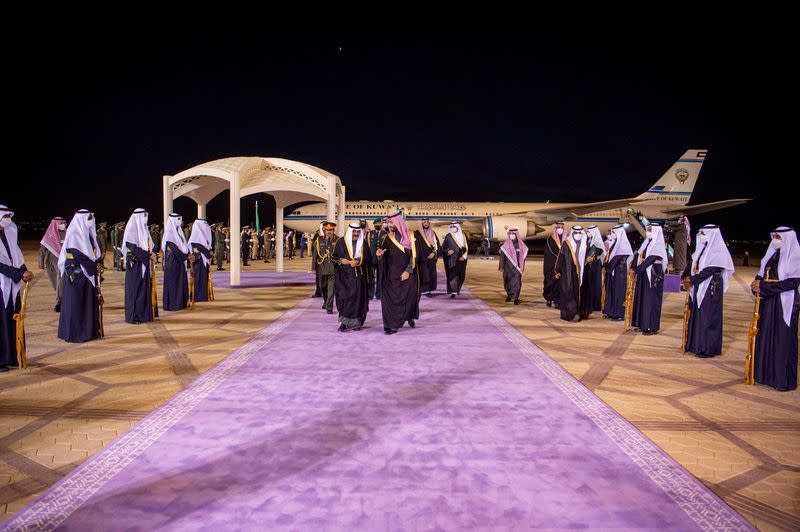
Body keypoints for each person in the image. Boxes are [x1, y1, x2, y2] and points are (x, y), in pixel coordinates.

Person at [750, 227, 799, 391]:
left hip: (785, 303)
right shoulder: (770, 257)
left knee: (781, 339)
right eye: (775, 236)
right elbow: (760, 276)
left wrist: (763, 286)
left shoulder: (795, 256)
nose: (776, 239)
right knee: (766, 337)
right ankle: (764, 375)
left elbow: (792, 283)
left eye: (779, 236)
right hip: (768, 303)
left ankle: (781, 379)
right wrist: (755, 286)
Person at [681, 225, 734, 357]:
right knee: (698, 315)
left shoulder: (719, 252)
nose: (703, 235)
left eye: (705, 233)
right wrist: (687, 278)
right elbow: (693, 264)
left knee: (708, 317)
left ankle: (708, 348)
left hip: (711, 287)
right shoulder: (702, 249)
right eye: (702, 233)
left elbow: (710, 270)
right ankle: (696, 345)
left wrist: (693, 279)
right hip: (699, 284)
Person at [57, 210, 104, 342]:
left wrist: (99, 263)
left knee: (88, 304)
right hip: (76, 276)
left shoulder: (90, 234)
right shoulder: (74, 233)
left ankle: (89, 332)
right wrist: (94, 266)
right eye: (88, 218)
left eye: (91, 217)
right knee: (76, 304)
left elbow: (96, 253)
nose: (90, 220)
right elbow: (77, 255)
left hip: (88, 275)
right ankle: (75, 333)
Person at [0, 205, 33, 372]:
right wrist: (18, 274)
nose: (7, 219)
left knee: (13, 319)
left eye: (8, 215)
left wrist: (24, 271)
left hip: (11, 284)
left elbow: (16, 258)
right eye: (4, 216)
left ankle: (12, 355)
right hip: (1, 286)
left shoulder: (9, 235)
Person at [377, 212, 419, 334]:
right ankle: (391, 324)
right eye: (388, 223)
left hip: (407, 274)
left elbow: (415, 256)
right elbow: (383, 255)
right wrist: (380, 255)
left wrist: (408, 271)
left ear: (398, 222)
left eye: (391, 222)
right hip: (391, 276)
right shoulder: (387, 238)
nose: (389, 225)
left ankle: (408, 317)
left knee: (408, 298)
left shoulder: (411, 236)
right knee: (391, 300)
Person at [631, 223, 668, 335]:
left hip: (654, 275)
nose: (648, 232)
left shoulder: (658, 244)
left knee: (651, 300)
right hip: (645, 274)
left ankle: (651, 327)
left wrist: (636, 270)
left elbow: (650, 259)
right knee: (644, 299)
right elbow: (640, 256)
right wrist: (635, 268)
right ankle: (643, 324)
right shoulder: (648, 243)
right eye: (647, 229)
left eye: (650, 230)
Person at [334, 222, 372, 331]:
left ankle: (356, 323)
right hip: (344, 277)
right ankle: (344, 323)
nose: (356, 233)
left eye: (358, 231)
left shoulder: (363, 243)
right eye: (354, 231)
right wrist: (341, 260)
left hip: (359, 277)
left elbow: (368, 259)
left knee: (358, 300)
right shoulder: (341, 242)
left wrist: (358, 261)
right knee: (345, 299)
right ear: (350, 231)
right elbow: (334, 257)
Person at [123, 209, 157, 324]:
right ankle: (135, 316)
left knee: (144, 289)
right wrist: (148, 255)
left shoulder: (145, 230)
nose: (145, 218)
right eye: (144, 216)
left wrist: (153, 253)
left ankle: (144, 315)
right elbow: (132, 248)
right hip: (135, 265)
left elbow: (151, 245)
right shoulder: (131, 230)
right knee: (135, 290)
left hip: (145, 263)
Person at [555, 225, 586, 321]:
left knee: (577, 293)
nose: (578, 235)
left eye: (579, 233)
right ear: (572, 233)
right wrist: (557, 270)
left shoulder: (584, 244)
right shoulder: (566, 243)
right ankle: (571, 314)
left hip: (579, 272)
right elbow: (560, 257)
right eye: (576, 233)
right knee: (568, 292)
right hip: (567, 272)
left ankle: (576, 312)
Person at [602, 225, 633, 321]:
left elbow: (615, 260)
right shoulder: (616, 243)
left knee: (619, 293)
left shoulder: (622, 245)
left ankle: (619, 314)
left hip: (619, 273)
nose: (612, 234)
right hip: (614, 273)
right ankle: (612, 312)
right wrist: (606, 267)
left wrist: (607, 269)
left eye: (614, 233)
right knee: (612, 292)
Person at [161, 213, 190, 311]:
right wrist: (186, 256)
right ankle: (173, 304)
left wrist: (187, 254)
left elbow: (184, 246)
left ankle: (180, 303)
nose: (180, 221)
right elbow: (175, 250)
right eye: (178, 219)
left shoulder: (179, 232)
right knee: (173, 283)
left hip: (179, 261)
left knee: (180, 282)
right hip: (173, 262)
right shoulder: (169, 233)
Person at [39, 217, 66, 312]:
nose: (63, 224)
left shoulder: (67, 233)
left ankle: (59, 302)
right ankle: (60, 298)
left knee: (60, 279)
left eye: (64, 222)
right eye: (61, 222)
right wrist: (40, 261)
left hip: (63, 261)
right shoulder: (49, 235)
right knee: (55, 282)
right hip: (52, 260)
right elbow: (42, 249)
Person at [582, 225, 606, 316]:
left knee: (595, 284)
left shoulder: (597, 243)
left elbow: (599, 256)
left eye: (589, 232)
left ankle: (596, 305)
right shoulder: (589, 241)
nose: (588, 233)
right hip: (590, 266)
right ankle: (590, 303)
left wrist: (593, 258)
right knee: (589, 284)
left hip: (595, 266)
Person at [499, 228, 528, 305]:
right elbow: (502, 257)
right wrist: (501, 267)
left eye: (513, 234)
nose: (511, 235)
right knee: (507, 282)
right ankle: (509, 295)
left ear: (516, 235)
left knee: (517, 283)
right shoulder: (505, 245)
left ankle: (516, 298)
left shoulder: (520, 245)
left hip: (517, 268)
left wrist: (521, 265)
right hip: (507, 268)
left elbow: (523, 256)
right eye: (510, 234)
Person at [189, 219, 214, 303]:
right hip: (198, 261)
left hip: (203, 261)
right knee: (199, 278)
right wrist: (209, 253)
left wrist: (209, 252)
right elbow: (200, 249)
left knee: (204, 278)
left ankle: (204, 295)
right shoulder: (195, 238)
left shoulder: (202, 238)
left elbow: (205, 248)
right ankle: (198, 296)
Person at [441, 221, 468, 298]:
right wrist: (447, 251)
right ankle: (453, 291)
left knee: (461, 276)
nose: (453, 228)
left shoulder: (463, 235)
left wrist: (464, 256)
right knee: (452, 275)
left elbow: (467, 247)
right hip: (451, 259)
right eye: (451, 227)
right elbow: (444, 247)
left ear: (457, 227)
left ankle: (457, 289)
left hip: (461, 259)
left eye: (454, 227)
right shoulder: (448, 236)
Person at [315, 222, 338, 313]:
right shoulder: (319, 240)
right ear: (324, 230)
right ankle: (326, 301)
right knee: (322, 287)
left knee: (331, 289)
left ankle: (329, 307)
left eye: (331, 230)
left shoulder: (338, 240)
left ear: (333, 230)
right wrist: (313, 268)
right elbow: (315, 255)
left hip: (333, 267)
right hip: (322, 267)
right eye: (327, 230)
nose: (329, 232)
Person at [415, 218, 440, 297]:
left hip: (431, 257)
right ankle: (422, 289)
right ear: (422, 223)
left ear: (429, 223)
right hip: (421, 258)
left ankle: (428, 290)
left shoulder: (433, 233)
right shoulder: (417, 233)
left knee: (430, 274)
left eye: (427, 222)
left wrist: (434, 253)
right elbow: (416, 245)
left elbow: (437, 246)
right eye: (424, 222)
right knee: (422, 274)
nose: (425, 223)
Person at [543, 221, 566, 308]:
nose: (560, 229)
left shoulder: (565, 240)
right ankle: (549, 299)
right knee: (550, 282)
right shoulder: (550, 239)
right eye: (558, 228)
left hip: (561, 266)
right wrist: (560, 256)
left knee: (560, 283)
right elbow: (550, 252)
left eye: (561, 228)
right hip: (551, 265)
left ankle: (557, 300)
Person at [369, 219, 386, 300]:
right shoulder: (370, 234)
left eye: (379, 223)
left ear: (382, 224)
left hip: (382, 259)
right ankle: (370, 294)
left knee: (380, 277)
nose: (378, 224)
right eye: (376, 223)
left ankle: (379, 294)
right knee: (371, 277)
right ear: (374, 224)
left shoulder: (385, 234)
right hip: (372, 259)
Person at [311, 222, 325, 296]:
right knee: (319, 277)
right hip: (319, 261)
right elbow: (314, 248)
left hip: (327, 261)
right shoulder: (317, 235)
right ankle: (318, 292)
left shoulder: (329, 234)